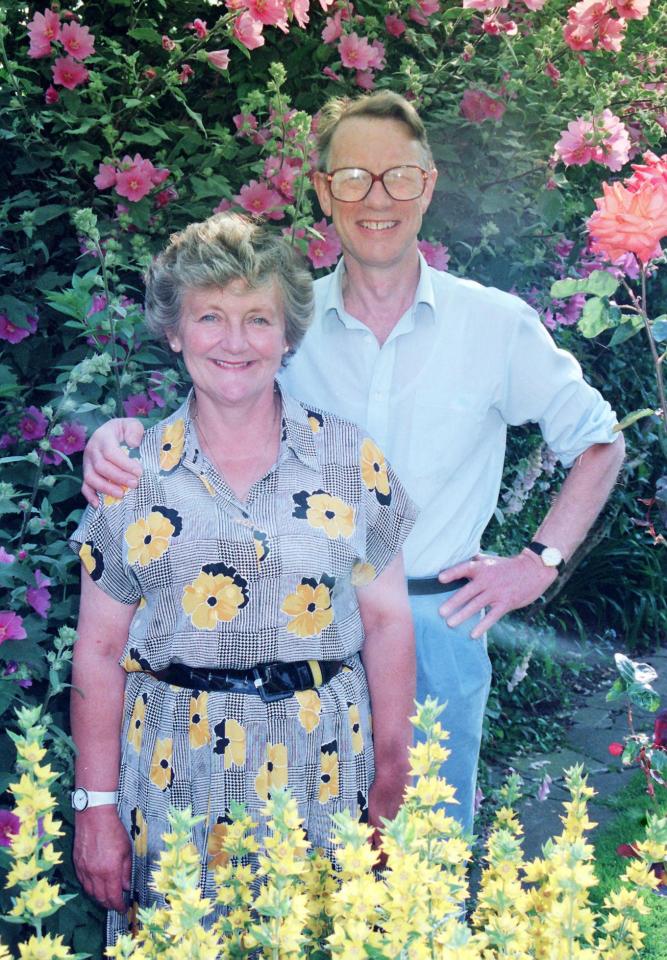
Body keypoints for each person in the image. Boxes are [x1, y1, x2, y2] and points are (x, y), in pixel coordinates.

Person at [81, 91, 625, 837]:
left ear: (427, 185)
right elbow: (222, 393)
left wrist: (539, 560)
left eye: (398, 176)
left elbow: (599, 440)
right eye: (352, 178)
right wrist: (120, 439)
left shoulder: (494, 326)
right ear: (322, 191)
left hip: (434, 625)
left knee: (417, 868)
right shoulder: (284, 315)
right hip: (296, 637)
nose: (377, 199)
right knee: (296, 874)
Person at [70, 213, 416, 945]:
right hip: (172, 777)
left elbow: (386, 624)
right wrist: (94, 805)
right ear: (174, 332)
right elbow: (98, 655)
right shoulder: (128, 474)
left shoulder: (349, 462)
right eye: (210, 317)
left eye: (258, 318)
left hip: (324, 768)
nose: (234, 342)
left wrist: (394, 775)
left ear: (287, 336)